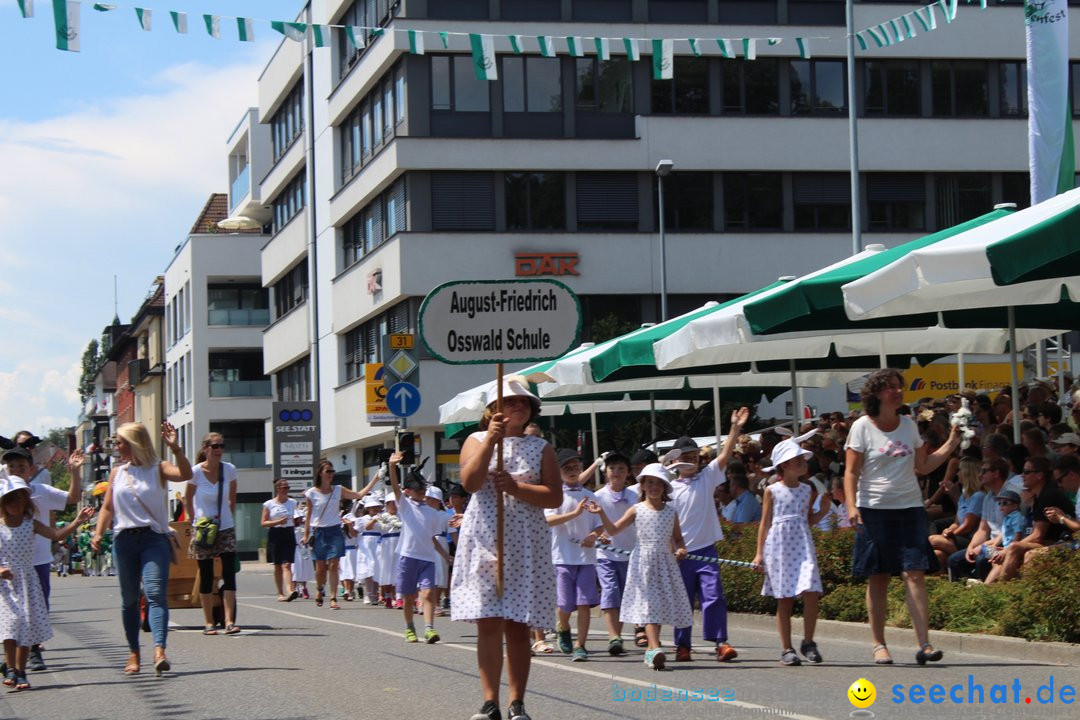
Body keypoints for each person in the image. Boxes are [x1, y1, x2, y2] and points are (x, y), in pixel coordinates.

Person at [453, 377, 561, 720]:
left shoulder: (541, 448)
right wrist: (491, 443)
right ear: (492, 409)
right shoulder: (475, 440)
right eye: (510, 401)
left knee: (517, 624)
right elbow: (470, 483)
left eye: (524, 402)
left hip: (525, 540)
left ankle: (517, 703)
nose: (518, 406)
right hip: (485, 535)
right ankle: (489, 702)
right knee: (489, 620)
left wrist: (516, 488)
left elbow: (555, 496)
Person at [844, 369, 960, 666]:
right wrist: (851, 506)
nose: (898, 391)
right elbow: (851, 472)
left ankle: (925, 643)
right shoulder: (861, 427)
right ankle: (878, 644)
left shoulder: (908, 425)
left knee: (915, 573)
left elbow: (923, 465)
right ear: (876, 394)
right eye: (891, 388)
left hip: (909, 508)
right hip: (873, 509)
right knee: (879, 577)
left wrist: (952, 442)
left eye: (899, 387)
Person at [92, 421, 193, 677]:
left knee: (155, 593)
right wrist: (98, 532)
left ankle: (160, 650)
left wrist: (176, 449)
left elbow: (185, 474)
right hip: (124, 540)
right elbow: (107, 508)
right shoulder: (117, 472)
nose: (116, 447)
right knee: (128, 601)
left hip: (153, 539)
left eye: (119, 442)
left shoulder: (158, 468)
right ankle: (134, 652)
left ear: (133, 443)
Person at [592, 463, 692, 671]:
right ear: (643, 486)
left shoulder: (671, 512)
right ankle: (654, 648)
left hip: (664, 563)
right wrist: (601, 513)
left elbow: (678, 539)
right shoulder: (636, 509)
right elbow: (613, 529)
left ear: (665, 487)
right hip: (642, 562)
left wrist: (681, 550)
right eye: (650, 483)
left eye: (658, 483)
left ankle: (651, 651)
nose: (654, 487)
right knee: (649, 605)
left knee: (658, 605)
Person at [668, 407, 748, 663]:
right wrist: (672, 547)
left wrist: (735, 427)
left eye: (694, 455)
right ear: (675, 462)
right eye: (685, 456)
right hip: (681, 554)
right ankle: (682, 646)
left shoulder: (707, 477)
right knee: (683, 602)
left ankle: (720, 642)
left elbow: (725, 455)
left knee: (713, 597)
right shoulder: (668, 488)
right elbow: (665, 522)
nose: (691, 460)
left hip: (706, 551)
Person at [0, 476, 92, 691]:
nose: (16, 504)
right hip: (5, 585)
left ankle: (21, 671)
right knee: (10, 626)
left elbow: (56, 534)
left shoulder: (30, 524)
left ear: (26, 503)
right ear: (3, 503)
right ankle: (10, 668)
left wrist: (77, 522)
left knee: (25, 626)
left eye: (20, 500)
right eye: (10, 500)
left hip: (26, 581)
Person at [752, 432, 831, 666]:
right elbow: (765, 523)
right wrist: (759, 553)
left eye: (803, 460)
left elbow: (807, 520)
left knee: (812, 592)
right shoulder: (772, 490)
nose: (802, 463)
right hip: (780, 547)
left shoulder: (807, 489)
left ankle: (808, 642)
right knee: (784, 598)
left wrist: (824, 511)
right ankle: (786, 648)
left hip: (803, 545)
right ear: (784, 465)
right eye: (797, 460)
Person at [544, 448, 603, 662]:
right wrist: (574, 514)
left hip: (586, 559)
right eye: (567, 468)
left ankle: (581, 645)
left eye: (575, 467)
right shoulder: (554, 496)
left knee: (584, 603)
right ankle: (564, 627)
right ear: (558, 471)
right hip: (562, 558)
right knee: (565, 605)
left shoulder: (590, 496)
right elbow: (548, 520)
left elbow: (600, 525)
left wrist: (593, 536)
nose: (572, 471)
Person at [387, 452, 452, 643]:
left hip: (427, 559)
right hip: (408, 557)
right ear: (408, 491)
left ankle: (429, 628)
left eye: (423, 490)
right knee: (408, 597)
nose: (421, 493)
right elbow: (395, 487)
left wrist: (444, 555)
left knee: (429, 593)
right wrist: (392, 466)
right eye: (417, 490)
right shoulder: (405, 506)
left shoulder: (431, 513)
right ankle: (409, 627)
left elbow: (432, 538)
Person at [184, 433, 241, 635]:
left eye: (221, 446)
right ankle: (208, 622)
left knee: (229, 574)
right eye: (215, 446)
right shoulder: (196, 472)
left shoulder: (230, 470)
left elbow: (232, 499)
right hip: (203, 529)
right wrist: (194, 521)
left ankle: (229, 621)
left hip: (224, 527)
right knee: (206, 574)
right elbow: (187, 499)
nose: (218, 450)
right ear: (205, 448)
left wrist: (227, 519)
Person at [591, 451, 644, 654]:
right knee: (610, 591)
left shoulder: (635, 497)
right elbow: (592, 524)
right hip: (605, 555)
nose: (617, 472)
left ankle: (617, 637)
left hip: (630, 554)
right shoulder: (597, 497)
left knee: (624, 596)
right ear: (606, 472)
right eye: (613, 468)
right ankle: (613, 636)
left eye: (622, 468)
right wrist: (599, 535)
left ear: (628, 473)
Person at [991, 456, 1074, 582]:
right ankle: (994, 591)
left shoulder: (1048, 495)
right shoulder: (1039, 497)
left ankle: (1003, 593)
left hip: (1063, 542)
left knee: (1014, 548)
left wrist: (1008, 550)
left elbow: (1038, 536)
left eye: (1026, 472)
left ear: (1039, 476)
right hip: (1051, 540)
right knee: (998, 554)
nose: (1022, 476)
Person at [302, 459, 370, 609]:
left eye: (332, 472)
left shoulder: (338, 489)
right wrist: (306, 534)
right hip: (319, 531)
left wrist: (376, 478)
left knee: (334, 564)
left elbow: (358, 495)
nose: (331, 474)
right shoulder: (311, 493)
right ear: (320, 473)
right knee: (320, 567)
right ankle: (320, 589)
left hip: (334, 530)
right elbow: (308, 516)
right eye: (328, 471)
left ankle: (333, 597)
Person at [928, 457, 985, 569]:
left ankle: (969, 563)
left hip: (971, 540)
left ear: (967, 473)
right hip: (959, 536)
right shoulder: (964, 496)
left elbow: (968, 526)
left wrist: (951, 534)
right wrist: (949, 529)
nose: (957, 474)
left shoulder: (978, 496)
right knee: (938, 555)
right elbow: (957, 522)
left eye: (960, 470)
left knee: (932, 539)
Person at [261, 479, 298, 602]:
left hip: (288, 532)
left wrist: (297, 521)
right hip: (275, 533)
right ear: (278, 489)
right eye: (284, 487)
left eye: (287, 488)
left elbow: (295, 518)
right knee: (277, 565)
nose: (286, 490)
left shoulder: (293, 502)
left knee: (287, 564)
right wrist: (278, 522)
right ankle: (280, 593)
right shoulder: (269, 504)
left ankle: (290, 590)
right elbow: (263, 522)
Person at [982, 490, 1026, 584]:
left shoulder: (1016, 517)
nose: (1001, 505)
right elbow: (1003, 533)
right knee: (985, 550)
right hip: (1006, 547)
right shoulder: (1007, 517)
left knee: (995, 561)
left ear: (1015, 506)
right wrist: (994, 545)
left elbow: (1018, 535)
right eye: (999, 503)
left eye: (1005, 503)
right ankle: (991, 581)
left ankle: (987, 585)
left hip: (1012, 549)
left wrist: (1008, 550)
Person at [291, 510, 314, 598]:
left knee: (304, 568)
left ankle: (303, 587)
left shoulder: (304, 527)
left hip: (304, 549)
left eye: (300, 518)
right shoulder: (292, 528)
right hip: (295, 549)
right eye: (298, 518)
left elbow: (311, 533)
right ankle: (294, 588)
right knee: (295, 569)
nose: (300, 519)